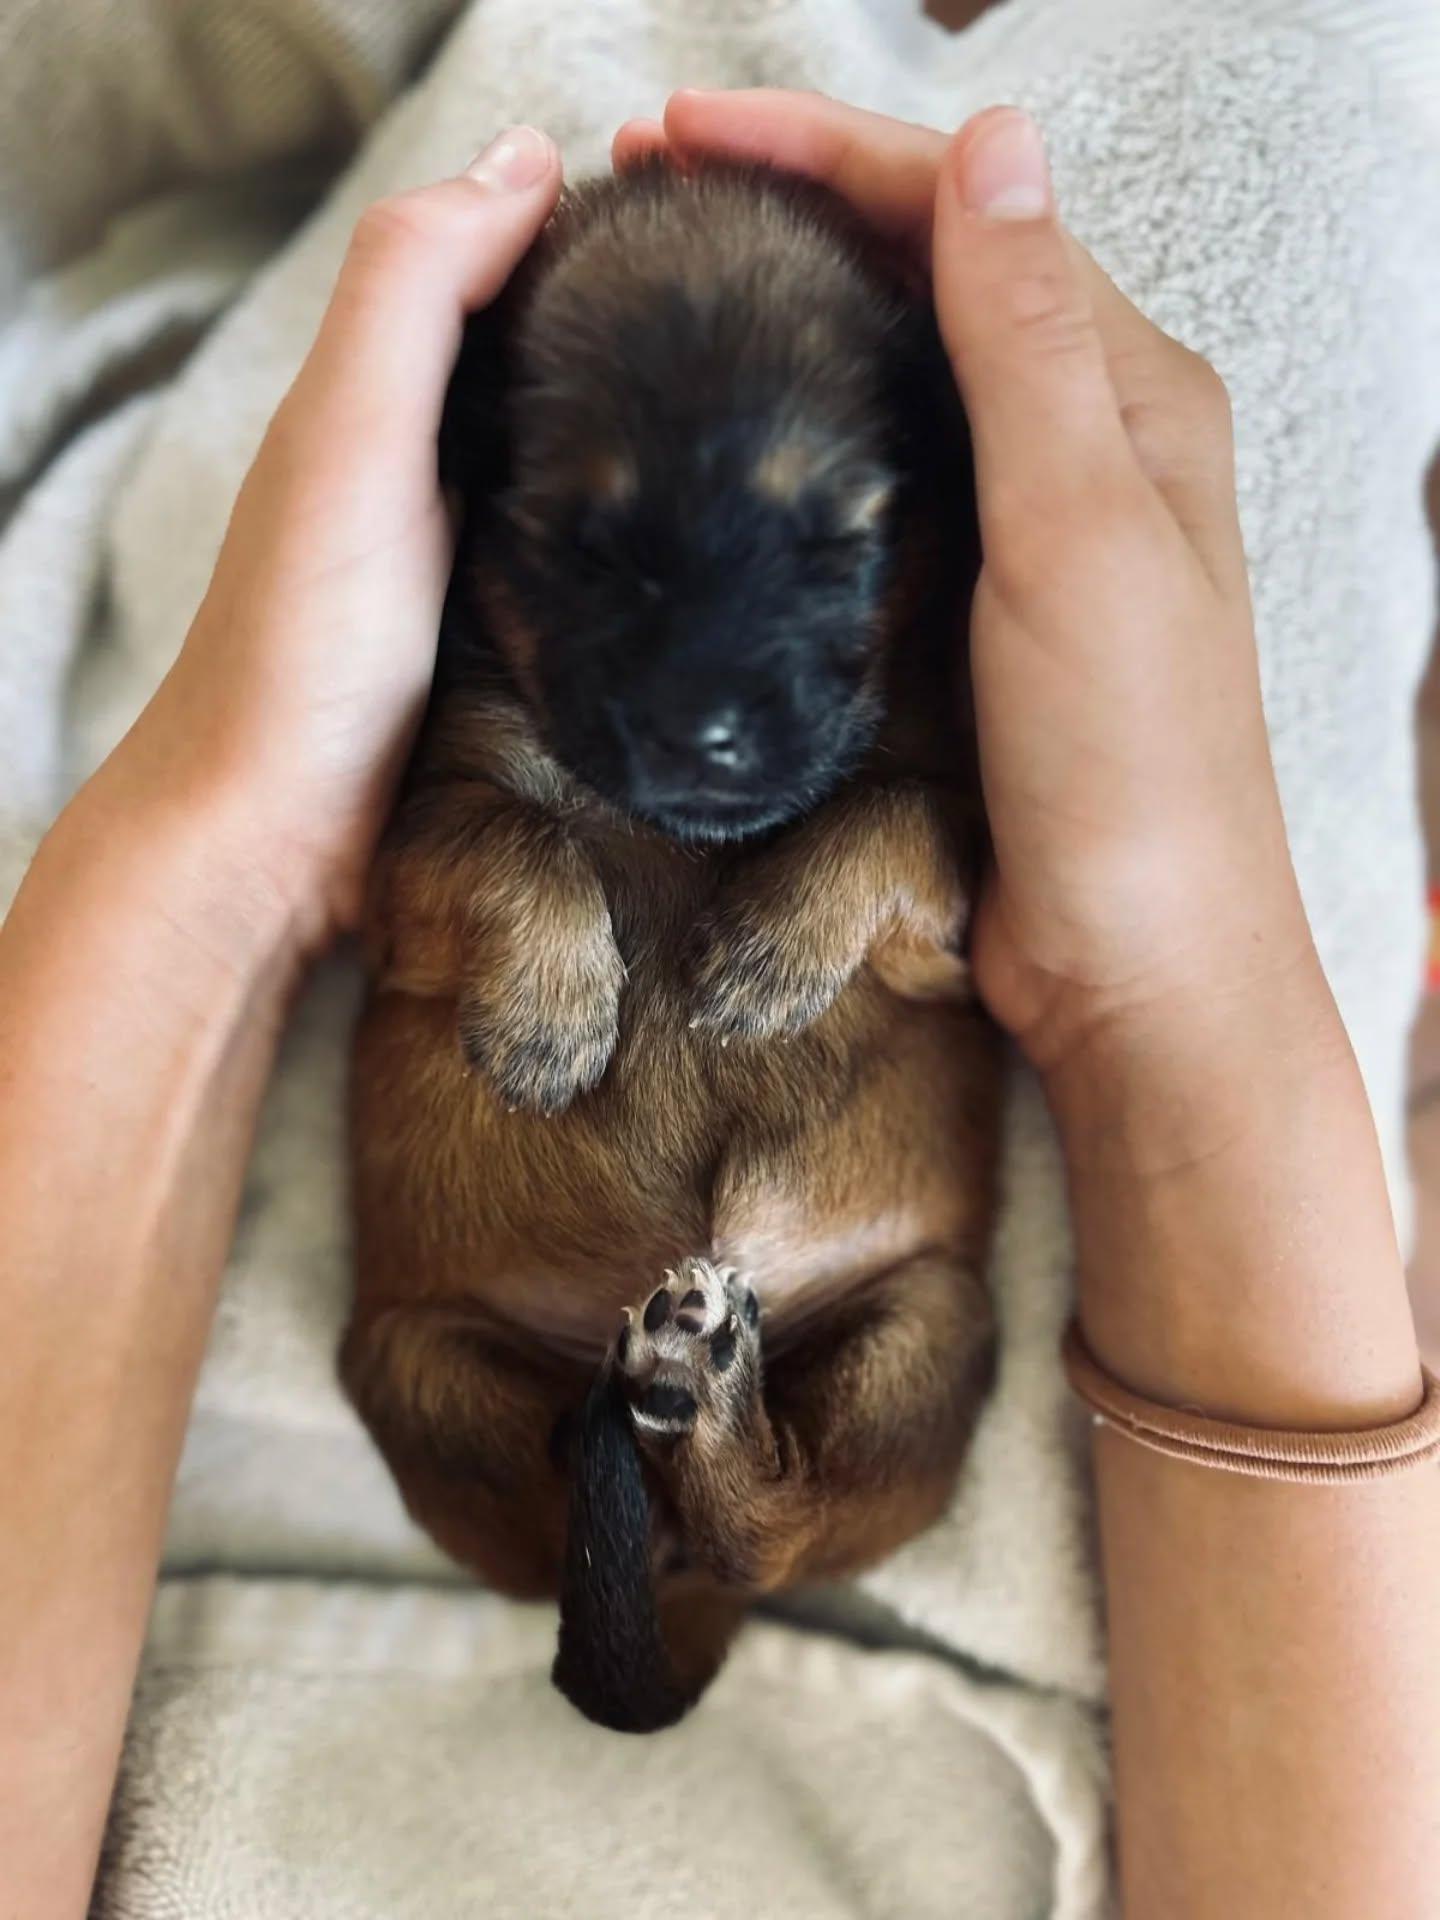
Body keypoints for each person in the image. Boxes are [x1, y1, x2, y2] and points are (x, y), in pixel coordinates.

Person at [1, 90, 1437, 1918]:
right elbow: (446, 860)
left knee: (926, 1368)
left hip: (853, 1312)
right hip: (499, 1360)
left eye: (827, 553)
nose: (705, 709)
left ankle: (742, 1489)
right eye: (591, 558)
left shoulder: (919, 746)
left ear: (935, 497)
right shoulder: (475, 721)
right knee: (413, 1383)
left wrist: (1110, 954)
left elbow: (925, 872)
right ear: (473, 487)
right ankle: (668, 1495)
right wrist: (309, 849)